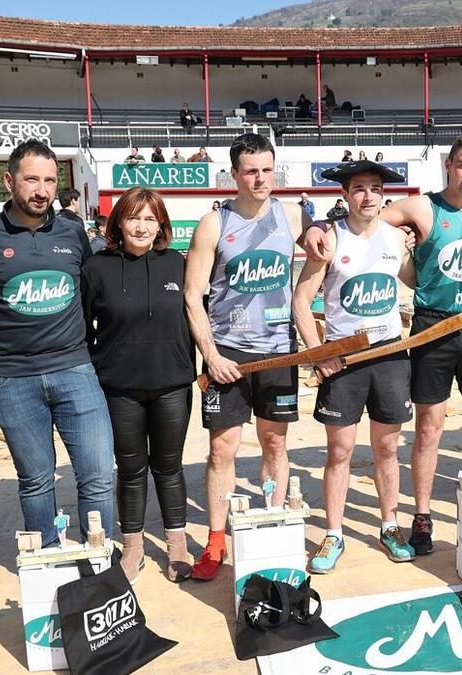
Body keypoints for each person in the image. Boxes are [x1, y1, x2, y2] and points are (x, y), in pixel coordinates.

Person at [303, 133, 462, 555]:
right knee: (428, 428)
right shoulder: (420, 207)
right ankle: (421, 516)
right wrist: (317, 226)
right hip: (431, 326)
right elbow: (363, 217)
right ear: (449, 165)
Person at [0, 139, 114, 548]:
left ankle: (99, 564)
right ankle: (47, 560)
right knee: (36, 481)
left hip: (76, 371)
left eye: (49, 180)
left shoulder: (73, 232)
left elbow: (88, 291)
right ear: (9, 181)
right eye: (32, 179)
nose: (42, 190)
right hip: (12, 380)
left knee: (98, 476)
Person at [183, 133, 312, 581]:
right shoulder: (213, 224)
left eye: (267, 169)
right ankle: (217, 540)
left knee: (275, 442)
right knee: (223, 448)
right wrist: (211, 354)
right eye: (251, 171)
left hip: (278, 351)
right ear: (234, 174)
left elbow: (331, 248)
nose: (260, 179)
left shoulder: (293, 215)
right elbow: (192, 295)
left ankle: (272, 517)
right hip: (228, 353)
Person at [291, 160, 415, 572]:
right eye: (359, 188)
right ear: (344, 195)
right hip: (343, 357)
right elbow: (301, 301)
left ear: (384, 195)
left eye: (375, 188)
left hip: (390, 353)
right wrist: (317, 351)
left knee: (387, 447)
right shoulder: (329, 238)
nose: (367, 196)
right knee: (340, 449)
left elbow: (413, 278)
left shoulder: (396, 238)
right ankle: (333, 533)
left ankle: (390, 524)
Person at [83, 187, 197, 582]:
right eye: (134, 217)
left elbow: (196, 315)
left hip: (172, 384)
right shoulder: (96, 268)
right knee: (131, 470)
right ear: (118, 222)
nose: (142, 226)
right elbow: (83, 331)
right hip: (120, 389)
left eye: (150, 219)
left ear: (162, 225)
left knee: (169, 467)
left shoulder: (177, 264)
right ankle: (132, 548)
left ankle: (177, 544)